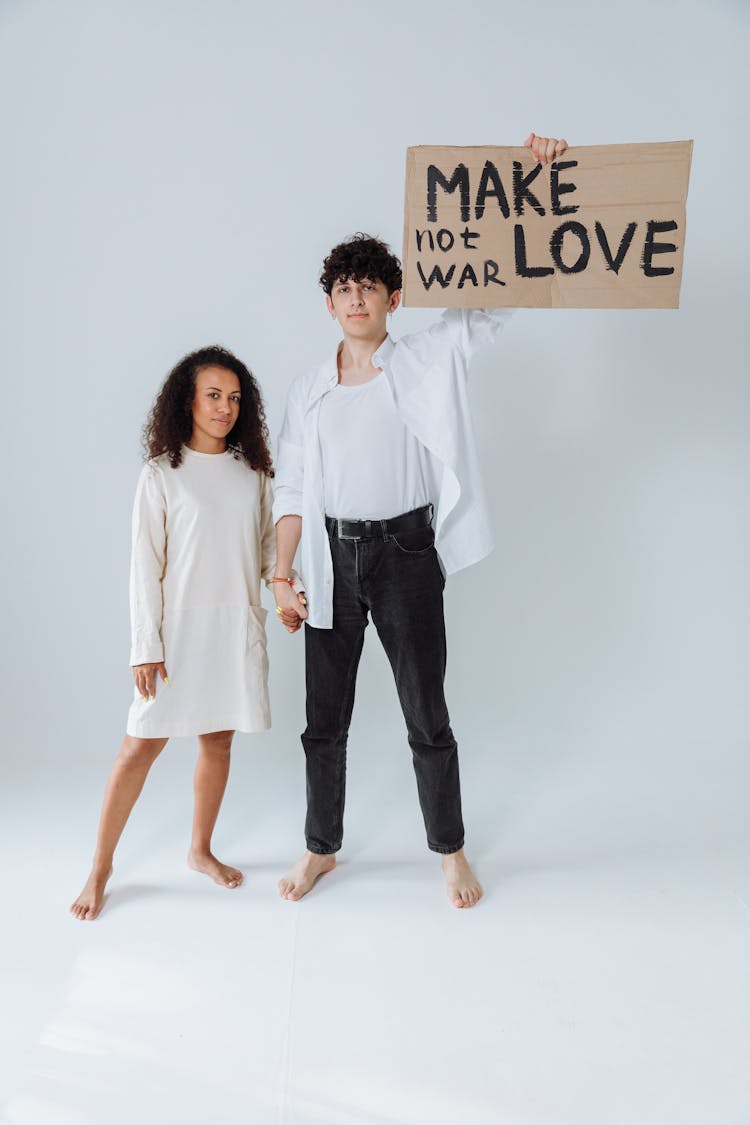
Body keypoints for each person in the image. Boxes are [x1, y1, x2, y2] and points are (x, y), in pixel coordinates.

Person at [272, 133, 568, 908]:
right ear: (330, 301)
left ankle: (450, 849)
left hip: (406, 550)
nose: (357, 297)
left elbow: (494, 299)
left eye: (371, 286)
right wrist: (281, 574)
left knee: (426, 712)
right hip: (329, 559)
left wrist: (532, 185)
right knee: (322, 724)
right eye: (344, 287)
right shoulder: (307, 390)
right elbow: (293, 489)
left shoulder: (428, 356)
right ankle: (319, 848)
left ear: (393, 299)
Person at [70, 345, 278, 920]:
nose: (225, 407)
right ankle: (101, 867)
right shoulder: (161, 474)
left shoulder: (253, 472)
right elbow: (145, 565)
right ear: (186, 400)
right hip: (175, 634)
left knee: (218, 741)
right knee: (138, 747)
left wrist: (289, 588)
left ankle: (200, 850)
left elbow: (266, 550)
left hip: (233, 627)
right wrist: (146, 646)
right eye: (213, 395)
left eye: (235, 398)